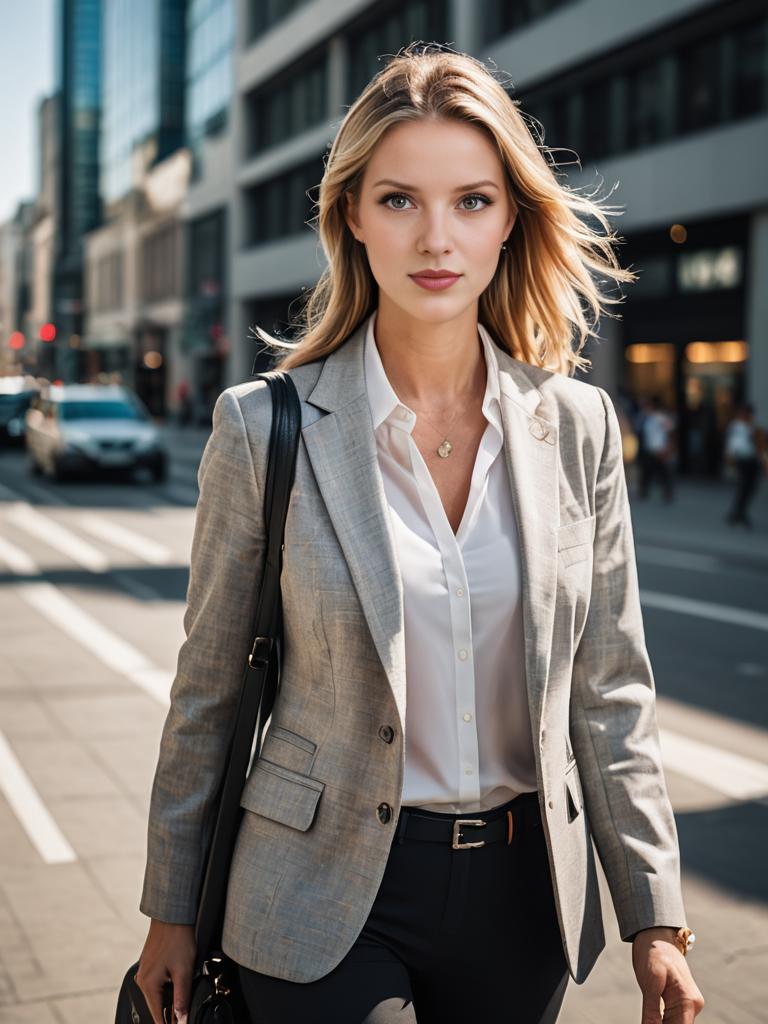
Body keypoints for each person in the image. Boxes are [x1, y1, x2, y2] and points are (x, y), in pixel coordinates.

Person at [135, 43, 705, 1024]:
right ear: (351, 216)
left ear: (510, 218)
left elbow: (612, 693)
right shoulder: (260, 427)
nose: (436, 238)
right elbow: (209, 692)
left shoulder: (578, 428)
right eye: (400, 199)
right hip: (317, 892)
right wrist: (170, 909)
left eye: (471, 201)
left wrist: (655, 914)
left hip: (525, 902)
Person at [724, 402, 768, 528]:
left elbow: (762, 448)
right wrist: (730, 461)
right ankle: (738, 513)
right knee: (744, 488)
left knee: (749, 488)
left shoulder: (755, 428)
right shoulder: (736, 427)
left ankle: (738, 513)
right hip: (742, 460)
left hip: (753, 461)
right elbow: (732, 446)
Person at [637, 395, 676, 503]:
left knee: (664, 473)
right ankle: (644, 492)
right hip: (649, 450)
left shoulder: (661, 418)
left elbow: (671, 433)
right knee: (647, 472)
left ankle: (668, 493)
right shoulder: (644, 418)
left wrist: (668, 448)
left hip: (660, 450)